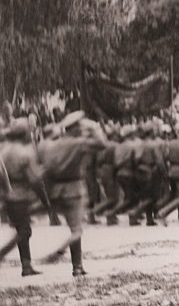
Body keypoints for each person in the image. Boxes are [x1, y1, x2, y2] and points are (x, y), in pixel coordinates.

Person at [40, 111, 106, 276]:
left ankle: (77, 266)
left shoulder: (53, 145)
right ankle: (59, 252)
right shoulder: (77, 143)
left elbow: (46, 169)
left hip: (57, 190)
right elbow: (101, 144)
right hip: (74, 189)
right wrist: (94, 127)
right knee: (77, 231)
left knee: (74, 229)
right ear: (76, 128)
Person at [0, 118, 50, 276]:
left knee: (21, 229)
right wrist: (45, 200)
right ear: (24, 134)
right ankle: (5, 254)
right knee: (24, 231)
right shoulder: (24, 152)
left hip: (6, 194)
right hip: (20, 194)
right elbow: (35, 180)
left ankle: (26, 266)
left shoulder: (4, 149)